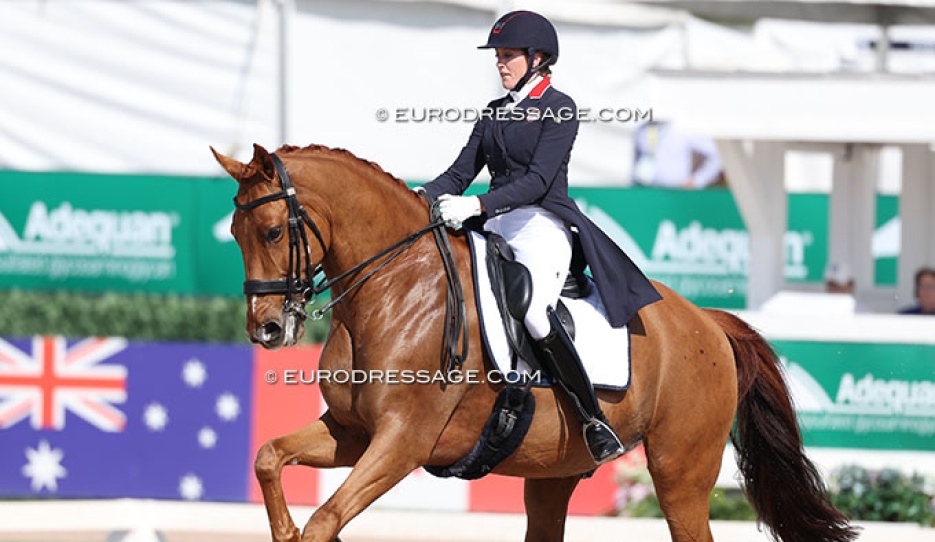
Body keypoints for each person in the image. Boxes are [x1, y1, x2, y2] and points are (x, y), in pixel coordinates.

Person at [415, 10, 662, 465]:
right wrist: (413, 198)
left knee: (531, 309)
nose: (500, 64)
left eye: (508, 56)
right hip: (492, 225)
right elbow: (458, 173)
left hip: (541, 225)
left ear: (538, 58)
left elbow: (538, 181)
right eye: (499, 56)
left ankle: (591, 418)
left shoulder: (560, 108)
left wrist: (475, 205)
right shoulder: (494, 113)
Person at [631, 120, 724, 189]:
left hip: (678, 191)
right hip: (649, 190)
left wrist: (697, 180)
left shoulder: (681, 128)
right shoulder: (643, 130)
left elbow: (718, 154)